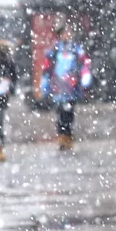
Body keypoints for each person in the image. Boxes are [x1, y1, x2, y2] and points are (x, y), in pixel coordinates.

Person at [40, 23, 92, 151]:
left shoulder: (76, 48)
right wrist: (45, 83)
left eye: (68, 33)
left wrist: (85, 78)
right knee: (60, 111)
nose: (67, 35)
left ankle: (68, 135)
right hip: (57, 84)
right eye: (64, 33)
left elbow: (85, 63)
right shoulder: (54, 49)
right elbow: (47, 67)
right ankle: (62, 137)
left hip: (71, 85)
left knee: (69, 112)